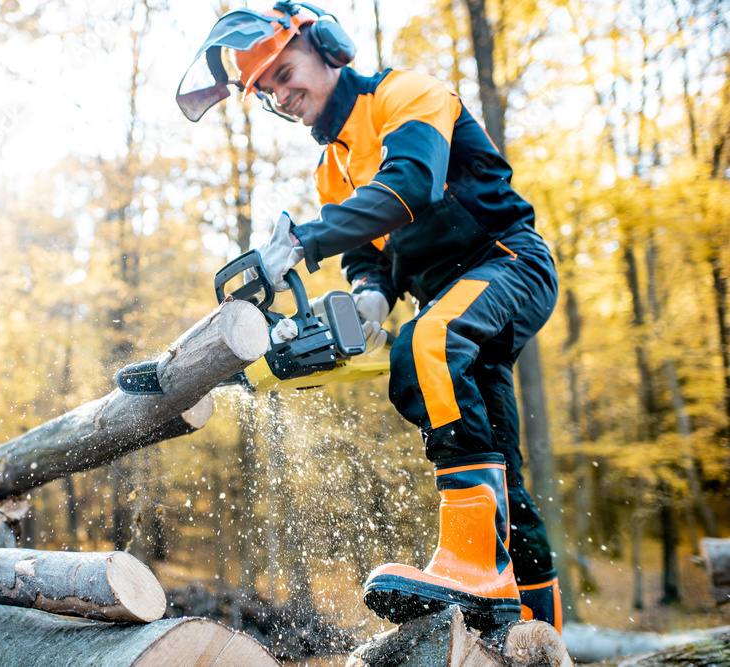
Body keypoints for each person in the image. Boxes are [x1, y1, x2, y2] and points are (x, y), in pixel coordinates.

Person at [177, 1, 562, 632]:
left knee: (427, 347)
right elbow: (368, 259)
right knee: (508, 487)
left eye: (284, 71)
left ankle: (471, 563)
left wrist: (301, 243)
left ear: (325, 46)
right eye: (267, 89)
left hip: (507, 261)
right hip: (449, 301)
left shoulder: (406, 94)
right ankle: (535, 636)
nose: (281, 95)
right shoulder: (331, 168)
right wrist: (369, 297)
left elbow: (410, 185)